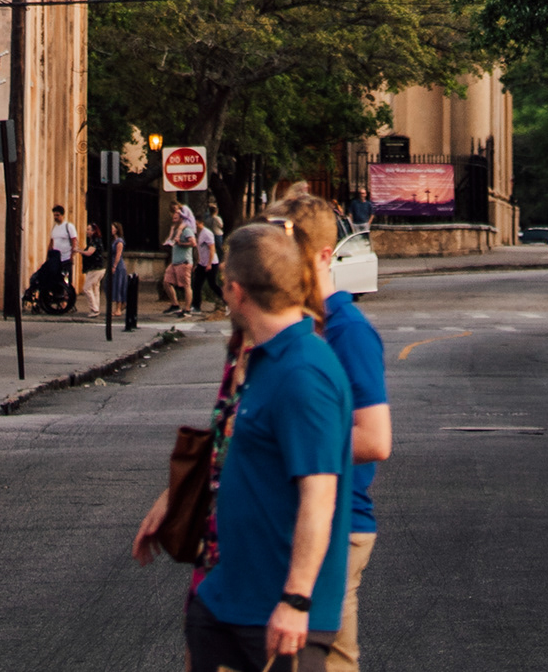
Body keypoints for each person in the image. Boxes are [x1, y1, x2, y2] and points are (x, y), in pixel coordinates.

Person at [134, 220, 352, 669]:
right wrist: (174, 496)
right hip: (225, 598)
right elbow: (234, 451)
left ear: (236, 291)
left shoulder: (303, 373)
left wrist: (296, 599)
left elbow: (319, 496)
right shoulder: (263, 360)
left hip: (276, 615)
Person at [282, 199, 388, 672]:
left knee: (328, 662)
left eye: (290, 254)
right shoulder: (303, 326)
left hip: (342, 523)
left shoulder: (347, 331)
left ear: (325, 256)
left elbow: (375, 440)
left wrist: (284, 449)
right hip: (305, 517)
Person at [164, 203, 198, 313]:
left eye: (176, 218)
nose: (173, 219)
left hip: (184, 262)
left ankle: (187, 309)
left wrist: (181, 243)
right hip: (175, 262)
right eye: (173, 217)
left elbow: (193, 243)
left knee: (186, 286)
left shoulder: (187, 230)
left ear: (181, 218)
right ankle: (175, 304)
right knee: (166, 282)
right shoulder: (175, 230)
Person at [194, 214, 225, 314]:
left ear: (201, 223)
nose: (195, 226)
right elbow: (199, 250)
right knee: (197, 284)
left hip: (211, 263)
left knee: (212, 284)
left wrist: (209, 264)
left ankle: (226, 300)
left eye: (196, 224)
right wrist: (198, 262)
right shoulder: (197, 233)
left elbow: (212, 249)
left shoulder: (207, 233)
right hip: (202, 263)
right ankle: (196, 306)